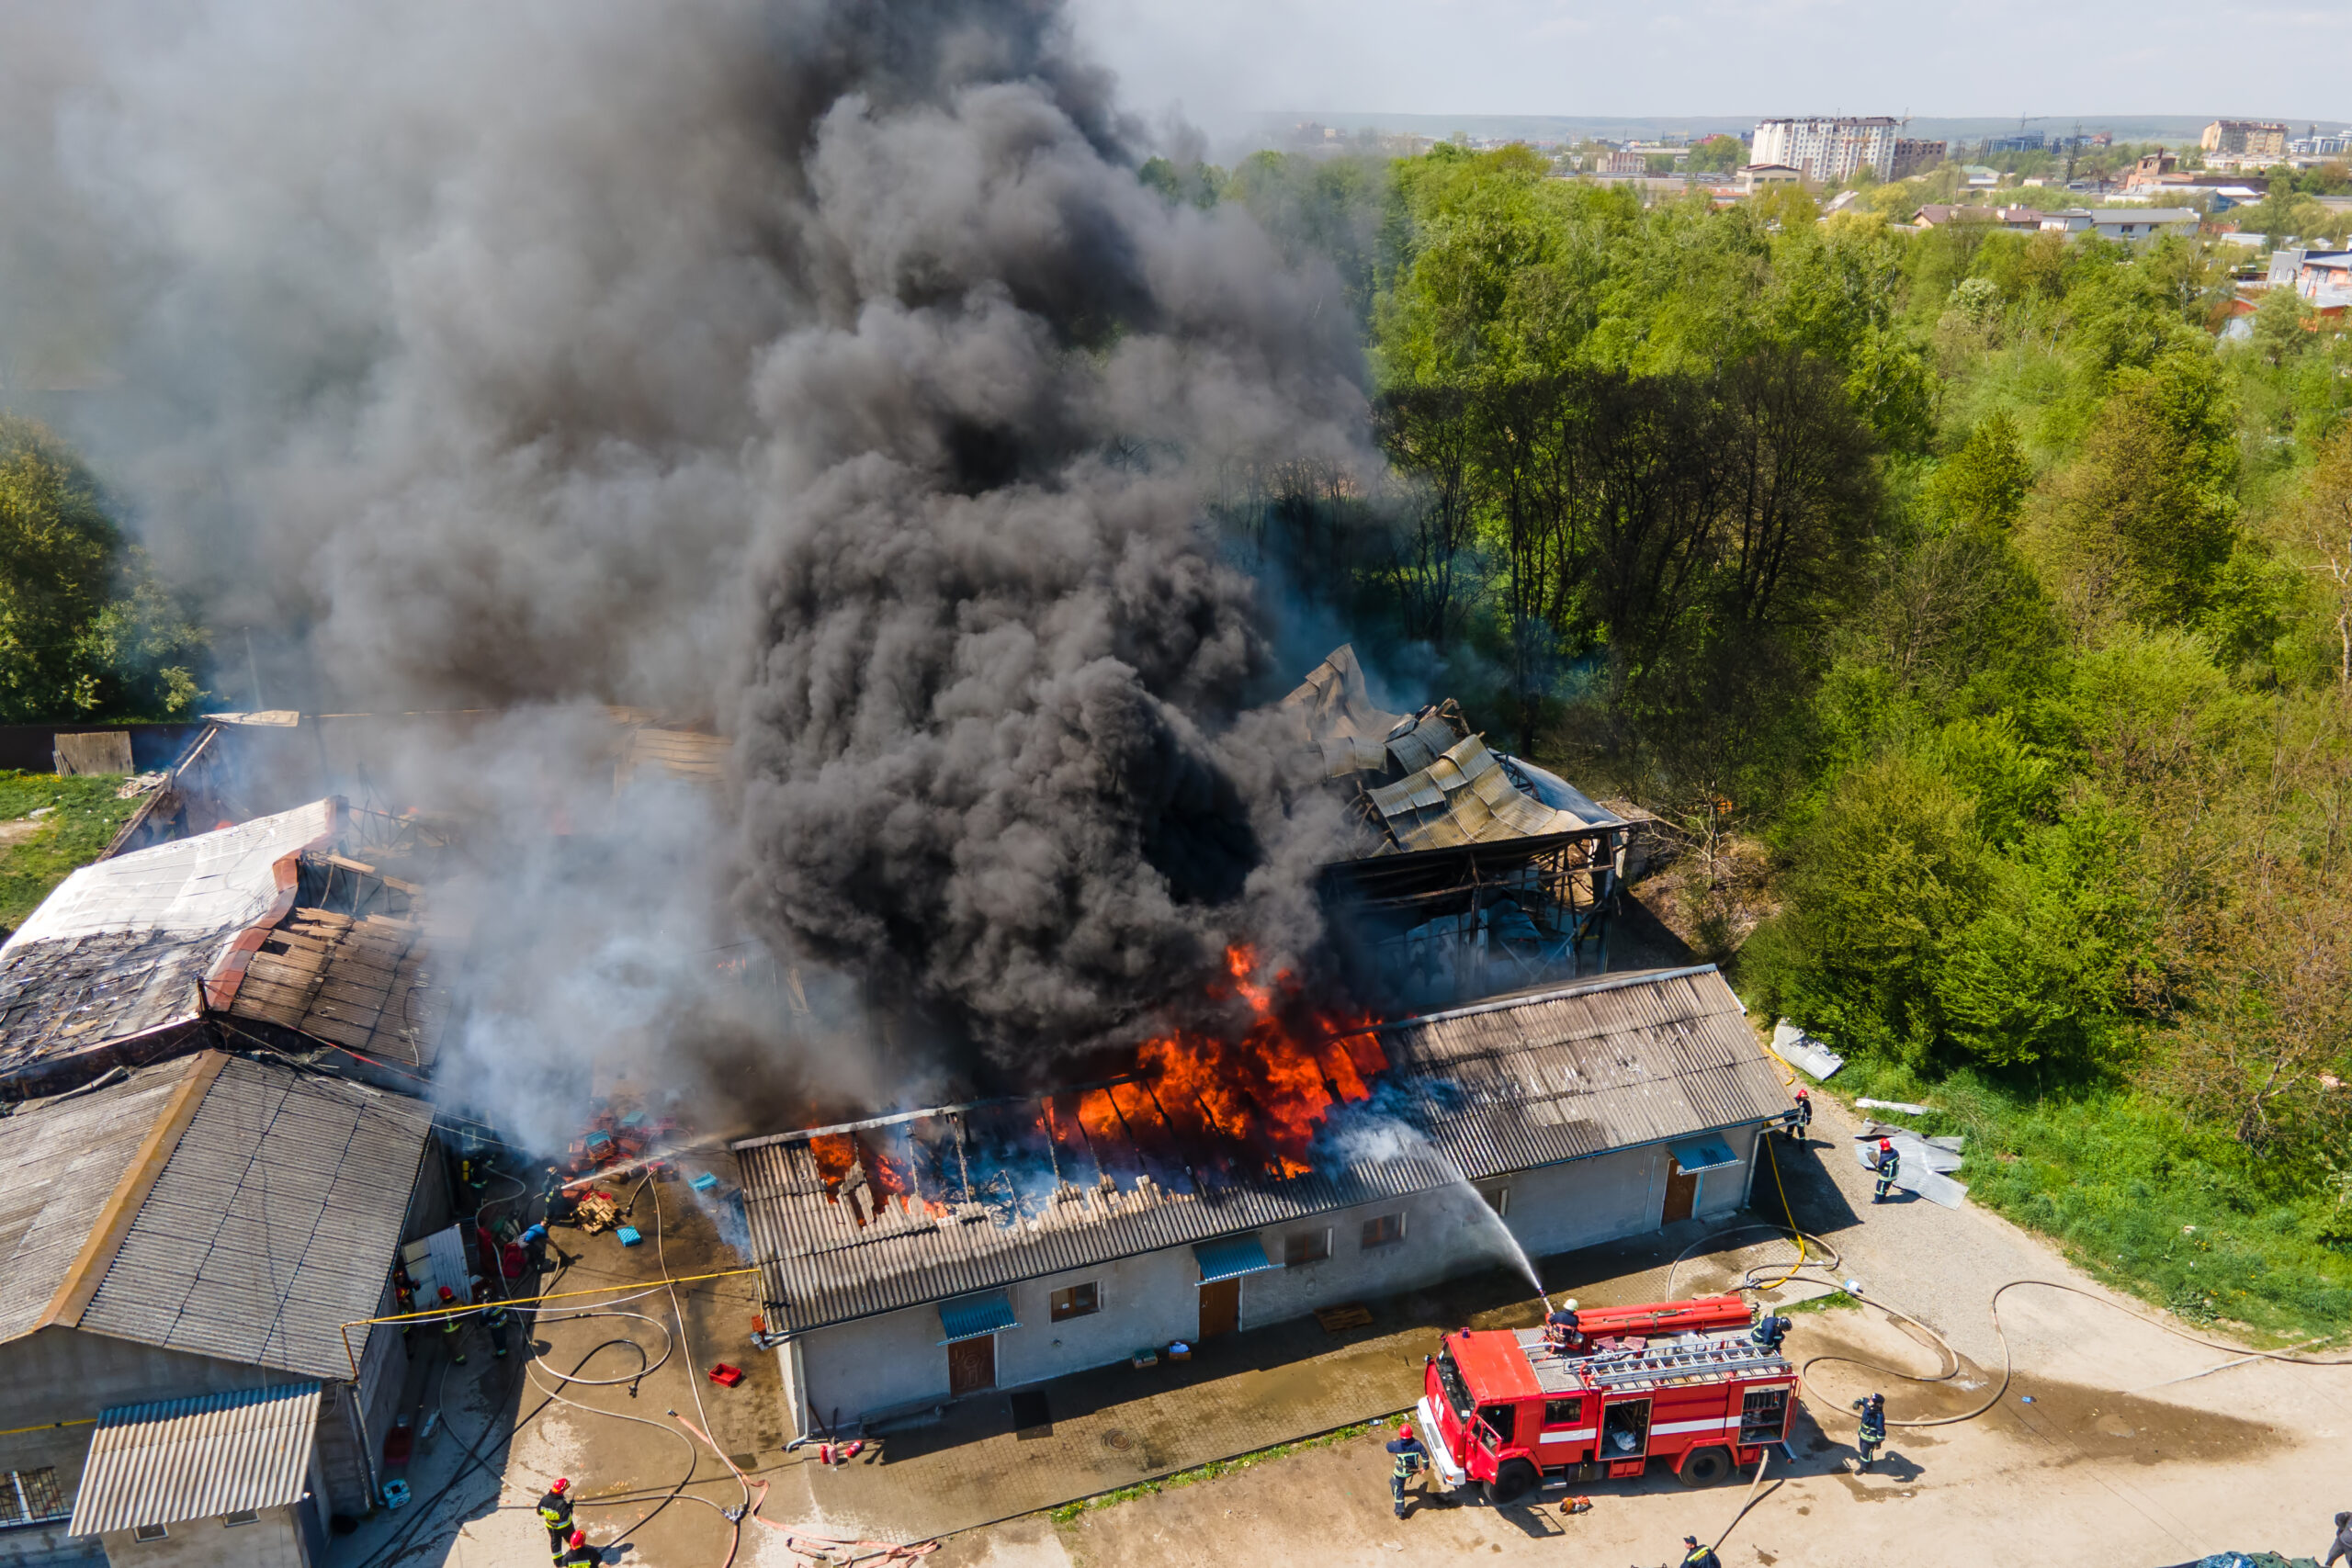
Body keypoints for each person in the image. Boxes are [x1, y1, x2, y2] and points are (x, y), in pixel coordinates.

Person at [1385, 1421, 1427, 1518]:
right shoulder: (1417, 1444)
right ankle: (1394, 1488)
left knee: (1398, 1488)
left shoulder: (1397, 1445)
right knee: (1393, 1481)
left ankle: (1400, 1511)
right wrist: (1424, 1467)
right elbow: (1425, 1456)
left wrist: (1395, 1442)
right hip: (1412, 1471)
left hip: (1400, 1472)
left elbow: (1388, 1447)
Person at [537, 1479, 575, 1555]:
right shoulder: (560, 1503)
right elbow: (566, 1516)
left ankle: (558, 1562)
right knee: (573, 1540)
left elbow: (539, 1512)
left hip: (550, 1526)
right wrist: (570, 1507)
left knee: (555, 1544)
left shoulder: (544, 1499)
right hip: (565, 1526)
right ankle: (576, 1554)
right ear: (562, 1490)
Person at [1852, 1393, 1887, 1472]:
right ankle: (1869, 1460)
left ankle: (1863, 1467)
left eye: (1872, 1400)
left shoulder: (1879, 1416)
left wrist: (1879, 1441)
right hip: (1862, 1434)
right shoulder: (1869, 1405)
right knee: (1862, 1449)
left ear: (1876, 1404)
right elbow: (1863, 1400)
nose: (1869, 1400)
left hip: (1870, 1437)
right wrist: (1857, 1402)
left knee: (1865, 1453)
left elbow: (1881, 1429)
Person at [479, 1286, 513, 1359]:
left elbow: (483, 1320)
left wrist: (481, 1323)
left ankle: (501, 1353)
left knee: (497, 1340)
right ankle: (504, 1348)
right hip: (504, 1322)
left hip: (495, 1327)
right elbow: (508, 1307)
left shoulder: (487, 1308)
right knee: (503, 1336)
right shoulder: (501, 1298)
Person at [437, 1285, 466, 1365]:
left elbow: (435, 1318)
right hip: (459, 1325)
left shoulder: (442, 1308)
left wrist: (429, 1310)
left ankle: (461, 1360)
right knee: (457, 1340)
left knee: (453, 1345)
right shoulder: (459, 1301)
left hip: (449, 1331)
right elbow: (466, 1308)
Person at [1872, 1138, 1901, 1203]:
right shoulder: (1895, 1151)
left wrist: (1877, 1168)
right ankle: (1883, 1196)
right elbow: (1898, 1158)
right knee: (1887, 1186)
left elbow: (1880, 1167)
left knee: (1880, 1187)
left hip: (1886, 1175)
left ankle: (1878, 1200)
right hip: (1894, 1173)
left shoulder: (1884, 1156)